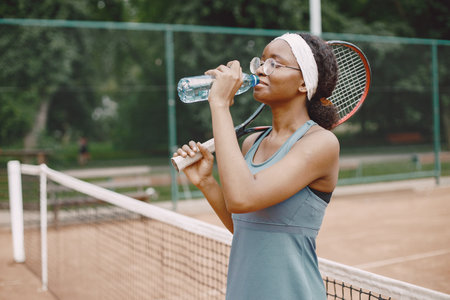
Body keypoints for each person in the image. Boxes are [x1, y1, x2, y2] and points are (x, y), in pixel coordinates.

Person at [173, 33, 339, 299]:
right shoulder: (251, 143)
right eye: (261, 62)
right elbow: (246, 226)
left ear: (302, 83)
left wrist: (219, 105)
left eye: (274, 64)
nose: (261, 70)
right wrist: (207, 182)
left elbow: (242, 198)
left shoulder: (321, 144)